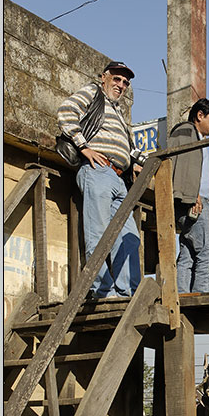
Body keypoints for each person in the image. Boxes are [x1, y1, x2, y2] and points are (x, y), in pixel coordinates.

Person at [57, 61, 147, 300]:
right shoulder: (93, 92)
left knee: (130, 237)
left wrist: (134, 163)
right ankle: (102, 290)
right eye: (117, 79)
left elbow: (126, 146)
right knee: (97, 231)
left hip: (119, 177)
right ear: (104, 77)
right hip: (98, 169)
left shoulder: (117, 111)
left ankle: (127, 292)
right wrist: (84, 147)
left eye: (125, 82)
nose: (121, 85)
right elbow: (66, 112)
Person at [170, 98, 209, 293]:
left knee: (188, 252)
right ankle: (202, 296)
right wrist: (193, 194)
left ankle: (182, 294)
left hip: (194, 200)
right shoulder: (187, 133)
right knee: (206, 252)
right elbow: (183, 166)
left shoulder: (196, 137)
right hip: (194, 201)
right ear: (200, 115)